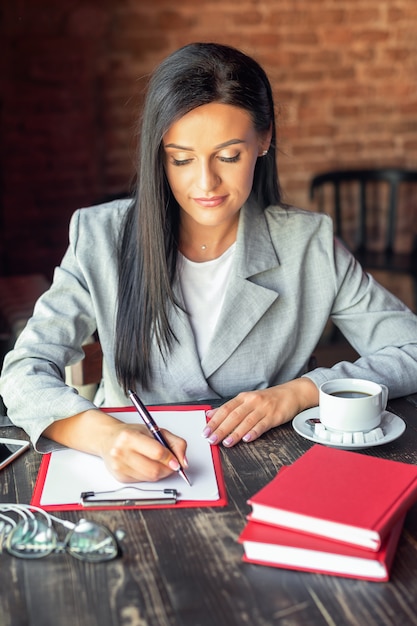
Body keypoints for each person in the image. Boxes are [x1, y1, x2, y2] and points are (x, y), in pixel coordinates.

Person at [1, 43, 417, 483]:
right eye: (181, 159)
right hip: (132, 476)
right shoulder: (100, 237)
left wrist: (299, 393)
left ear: (264, 139)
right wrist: (104, 435)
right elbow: (25, 370)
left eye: (229, 156)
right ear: (159, 153)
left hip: (274, 475)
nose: (205, 183)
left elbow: (410, 348)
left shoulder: (308, 244)